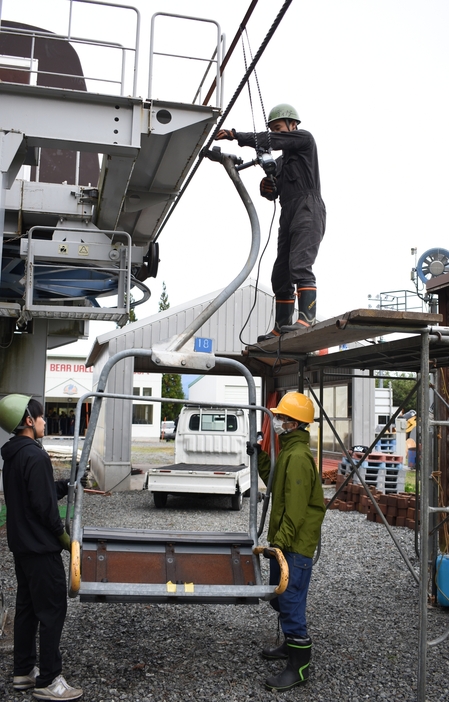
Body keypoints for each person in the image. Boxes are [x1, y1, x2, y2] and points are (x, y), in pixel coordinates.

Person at [215, 103, 326, 341]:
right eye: (273, 128)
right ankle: (282, 325)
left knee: (300, 263)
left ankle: (307, 318)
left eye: (279, 128)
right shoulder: (281, 163)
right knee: (280, 273)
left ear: (293, 124)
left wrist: (236, 136)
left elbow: (270, 140)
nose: (277, 133)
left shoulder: (305, 140)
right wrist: (266, 188)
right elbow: (273, 193)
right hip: (288, 212)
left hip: (308, 208)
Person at [0, 393, 83, 701]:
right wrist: (65, 541)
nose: (45, 422)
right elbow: (46, 510)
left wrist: (65, 484)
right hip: (41, 549)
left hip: (23, 548)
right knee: (51, 612)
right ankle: (49, 680)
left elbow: (38, 495)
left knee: (28, 610)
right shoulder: (35, 456)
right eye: (41, 417)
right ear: (28, 421)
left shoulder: (14, 455)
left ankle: (23, 671)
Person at [247, 391, 325, 692]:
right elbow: (275, 480)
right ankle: (289, 648)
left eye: (280, 418)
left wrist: (277, 546)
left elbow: (295, 509)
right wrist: (260, 456)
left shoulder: (299, 458)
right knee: (280, 599)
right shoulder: (289, 453)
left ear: (293, 423)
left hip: (293, 547)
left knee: (290, 603)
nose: (275, 421)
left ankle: (299, 666)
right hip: (286, 545)